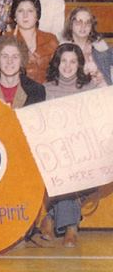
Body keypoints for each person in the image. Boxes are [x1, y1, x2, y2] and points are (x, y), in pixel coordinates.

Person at [37, 43, 98, 248]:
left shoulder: (90, 89)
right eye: (64, 61)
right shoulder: (45, 89)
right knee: (63, 169)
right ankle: (71, 227)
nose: (68, 66)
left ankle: (52, 217)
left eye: (73, 61)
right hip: (53, 155)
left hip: (83, 154)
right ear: (57, 63)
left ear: (80, 64)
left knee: (75, 168)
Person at [6, 0, 58, 84]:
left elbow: (58, 73)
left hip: (47, 93)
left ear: (37, 15)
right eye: (20, 11)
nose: (25, 15)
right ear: (14, 16)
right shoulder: (5, 40)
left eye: (30, 11)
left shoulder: (51, 40)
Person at [0, 34, 45, 108]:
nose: (9, 61)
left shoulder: (36, 90)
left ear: (22, 60)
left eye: (15, 57)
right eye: (5, 56)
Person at [63, 7, 112, 86]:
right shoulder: (63, 49)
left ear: (91, 26)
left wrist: (102, 76)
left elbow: (108, 76)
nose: (83, 26)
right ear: (71, 25)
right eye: (79, 22)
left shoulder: (101, 47)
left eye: (87, 22)